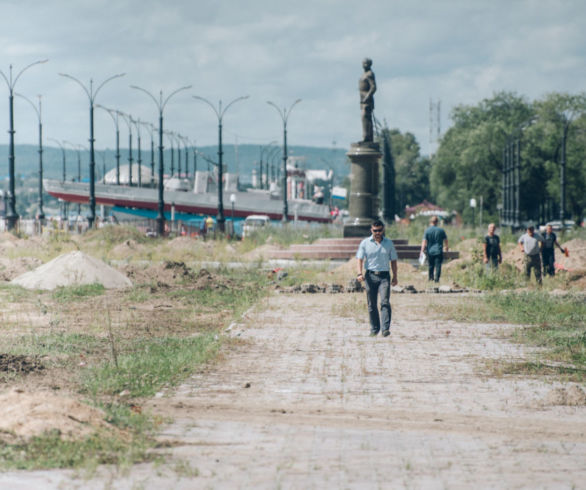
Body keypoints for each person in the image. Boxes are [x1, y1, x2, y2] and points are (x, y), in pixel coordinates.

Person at [356, 220, 398, 337]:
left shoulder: (389, 243)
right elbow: (359, 259)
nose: (377, 233)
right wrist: (359, 273)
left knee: (385, 302)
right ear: (371, 230)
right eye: (375, 231)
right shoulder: (365, 243)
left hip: (384, 276)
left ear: (383, 229)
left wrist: (395, 276)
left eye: (379, 230)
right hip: (370, 276)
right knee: (371, 304)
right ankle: (374, 329)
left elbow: (393, 260)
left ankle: (385, 329)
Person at [420, 216, 449, 283]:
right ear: (437, 222)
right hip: (438, 250)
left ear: (430, 222)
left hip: (430, 251)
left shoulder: (427, 230)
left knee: (431, 265)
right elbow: (446, 240)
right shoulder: (441, 230)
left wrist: (422, 250)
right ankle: (437, 279)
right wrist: (446, 247)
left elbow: (424, 241)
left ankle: (430, 278)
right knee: (438, 265)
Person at [359, 58, 376, 143]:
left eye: (365, 64)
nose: (363, 65)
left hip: (367, 100)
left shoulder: (369, 74)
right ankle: (366, 136)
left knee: (365, 116)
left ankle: (367, 137)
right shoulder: (364, 74)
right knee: (364, 118)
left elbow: (373, 87)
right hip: (362, 100)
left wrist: (367, 96)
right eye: (363, 63)